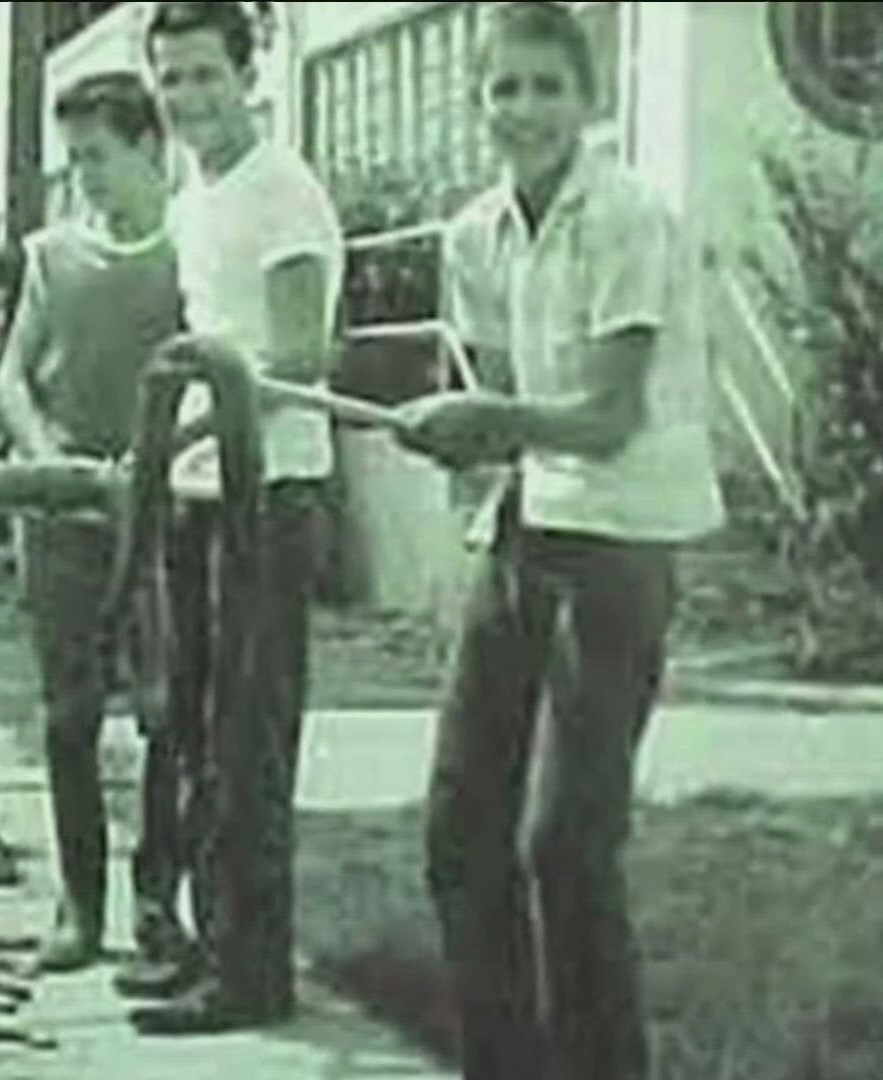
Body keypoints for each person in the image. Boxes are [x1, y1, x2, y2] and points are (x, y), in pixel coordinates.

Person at [392, 4, 725, 1077]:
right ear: (477, 101)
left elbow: (608, 418)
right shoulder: (471, 232)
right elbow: (488, 405)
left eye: (547, 86)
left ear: (592, 100)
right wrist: (456, 442)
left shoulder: (630, 214)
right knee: (458, 833)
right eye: (503, 88)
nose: (524, 109)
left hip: (623, 540)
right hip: (523, 532)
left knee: (567, 848)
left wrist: (483, 425)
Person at [122, 0, 345, 1034]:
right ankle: (213, 948)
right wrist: (168, 443)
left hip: (271, 492)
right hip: (197, 492)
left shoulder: (283, 191)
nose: (188, 99)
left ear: (248, 75)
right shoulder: (190, 198)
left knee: (249, 738)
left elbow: (301, 356)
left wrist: (188, 420)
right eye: (171, 80)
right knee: (197, 729)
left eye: (206, 75)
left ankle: (254, 976)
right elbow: (203, 336)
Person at [0, 71, 190, 976]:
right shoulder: (51, 255)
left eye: (100, 158)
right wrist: (42, 454)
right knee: (71, 717)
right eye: (74, 163)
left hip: (162, 510)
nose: (87, 180)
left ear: (151, 146)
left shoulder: (192, 246)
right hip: (63, 514)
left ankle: (159, 903)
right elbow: (12, 376)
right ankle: (82, 907)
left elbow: (221, 374)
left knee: (167, 715)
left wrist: (153, 456)